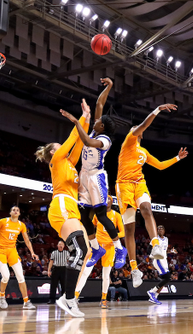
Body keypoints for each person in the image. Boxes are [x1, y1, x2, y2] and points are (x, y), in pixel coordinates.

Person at [116, 103, 188, 288]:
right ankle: (134, 269)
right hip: (124, 185)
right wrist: (157, 110)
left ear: (140, 135)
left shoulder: (144, 151)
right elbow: (144, 125)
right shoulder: (128, 142)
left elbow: (161, 166)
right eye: (135, 128)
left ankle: (155, 243)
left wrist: (177, 158)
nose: (135, 129)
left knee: (147, 208)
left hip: (139, 183)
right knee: (129, 229)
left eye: (137, 129)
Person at [61, 78, 127, 270]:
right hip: (84, 175)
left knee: (102, 215)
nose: (95, 121)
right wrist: (109, 87)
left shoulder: (105, 139)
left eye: (98, 122)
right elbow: (100, 103)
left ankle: (119, 248)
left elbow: (88, 144)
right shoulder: (96, 131)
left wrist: (75, 121)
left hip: (97, 177)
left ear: (102, 127)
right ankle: (96, 249)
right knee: (84, 217)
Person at [35, 99, 92, 318]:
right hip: (61, 206)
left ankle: (67, 297)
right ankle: (68, 299)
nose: (63, 148)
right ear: (52, 153)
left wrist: (86, 118)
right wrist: (79, 119)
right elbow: (72, 139)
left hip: (72, 207)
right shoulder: (58, 159)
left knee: (85, 254)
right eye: (59, 147)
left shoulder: (69, 162)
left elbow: (80, 142)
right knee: (79, 250)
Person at [75, 195, 125, 309]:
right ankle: (75, 295)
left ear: (111, 202)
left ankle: (103, 300)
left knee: (106, 275)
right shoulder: (98, 215)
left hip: (109, 247)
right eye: (104, 199)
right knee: (86, 271)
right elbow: (91, 227)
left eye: (108, 199)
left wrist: (114, 239)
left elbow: (123, 232)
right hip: (96, 246)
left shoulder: (116, 215)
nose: (106, 201)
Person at [0, 206, 38, 310]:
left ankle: (26, 302)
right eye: (13, 209)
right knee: (6, 276)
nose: (16, 211)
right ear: (10, 212)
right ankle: (2, 296)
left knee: (20, 276)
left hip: (12, 250)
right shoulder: (2, 221)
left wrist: (32, 252)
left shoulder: (21, 225)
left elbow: (27, 240)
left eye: (18, 210)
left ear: (19, 213)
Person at [147, 225, 176, 305]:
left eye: (161, 228)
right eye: (158, 228)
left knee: (165, 280)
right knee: (167, 277)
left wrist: (171, 252)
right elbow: (148, 249)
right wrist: (152, 255)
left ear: (164, 230)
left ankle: (154, 297)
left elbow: (163, 251)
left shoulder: (166, 239)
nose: (160, 230)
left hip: (164, 260)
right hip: (158, 260)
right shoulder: (155, 239)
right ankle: (151, 292)